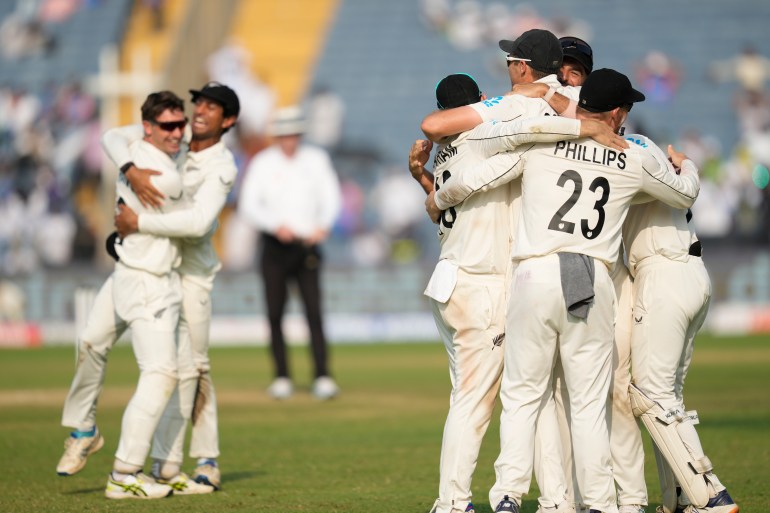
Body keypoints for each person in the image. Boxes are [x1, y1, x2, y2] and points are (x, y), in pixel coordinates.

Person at [427, 68, 701, 513]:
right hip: (590, 276)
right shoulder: (630, 155)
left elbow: (475, 180)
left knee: (521, 395)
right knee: (589, 404)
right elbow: (685, 195)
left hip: (532, 274)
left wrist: (437, 197)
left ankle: (507, 496)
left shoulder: (542, 145)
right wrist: (685, 162)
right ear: (617, 113)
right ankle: (599, 503)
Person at [411, 73, 625, 513]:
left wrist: (426, 183)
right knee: (487, 400)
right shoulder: (480, 138)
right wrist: (581, 123)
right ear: (473, 109)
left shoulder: (449, 153)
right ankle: (452, 502)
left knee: (506, 395)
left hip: (453, 279)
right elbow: (528, 129)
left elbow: (447, 205)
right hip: (483, 282)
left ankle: (554, 499)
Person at [57, 91, 193, 499]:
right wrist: (133, 169)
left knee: (92, 343)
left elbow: (114, 136)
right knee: (159, 372)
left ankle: (89, 434)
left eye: (180, 124)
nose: (177, 132)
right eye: (167, 126)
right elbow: (196, 225)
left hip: (128, 271)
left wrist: (128, 167)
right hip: (144, 280)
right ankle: (120, 470)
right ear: (148, 127)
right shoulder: (161, 174)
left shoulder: (138, 148)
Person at [109, 82, 240, 490]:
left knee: (194, 367)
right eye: (198, 101)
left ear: (228, 121)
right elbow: (112, 137)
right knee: (164, 370)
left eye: (212, 106)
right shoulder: (175, 142)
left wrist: (138, 224)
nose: (199, 110)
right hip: (158, 272)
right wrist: (129, 169)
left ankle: (207, 461)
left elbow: (199, 224)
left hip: (193, 277)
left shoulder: (222, 166)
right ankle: (164, 463)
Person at [622, 135, 739, 513]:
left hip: (662, 274)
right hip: (692, 272)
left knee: (651, 395)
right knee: (667, 396)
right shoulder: (653, 151)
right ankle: (677, 498)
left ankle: (710, 493)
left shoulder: (627, 155)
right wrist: (685, 163)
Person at [238, 106, 342, 400]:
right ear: (277, 136)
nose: (289, 140)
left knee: (314, 312)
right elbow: (249, 205)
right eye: (284, 135)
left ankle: (322, 375)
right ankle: (282, 376)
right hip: (275, 246)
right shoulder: (263, 163)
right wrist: (274, 226)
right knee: (274, 313)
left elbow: (330, 196)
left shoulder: (316, 159)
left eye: (294, 134)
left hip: (308, 245)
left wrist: (323, 226)